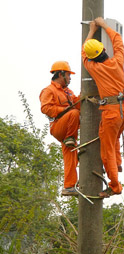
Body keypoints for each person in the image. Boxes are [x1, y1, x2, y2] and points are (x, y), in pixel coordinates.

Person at [82, 17, 124, 198]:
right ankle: (117, 163)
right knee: (115, 138)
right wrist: (103, 25)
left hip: (111, 113)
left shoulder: (93, 67)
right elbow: (118, 40)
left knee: (106, 152)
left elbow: (83, 53)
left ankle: (115, 186)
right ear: (104, 50)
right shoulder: (118, 61)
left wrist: (91, 30)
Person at [40, 61, 80, 196]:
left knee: (71, 154)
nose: (70, 78)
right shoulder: (49, 90)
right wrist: (65, 109)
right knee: (74, 113)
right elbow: (46, 108)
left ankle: (69, 186)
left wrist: (85, 95)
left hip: (69, 128)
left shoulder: (68, 92)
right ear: (60, 74)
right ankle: (70, 138)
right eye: (68, 75)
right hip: (58, 126)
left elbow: (77, 103)